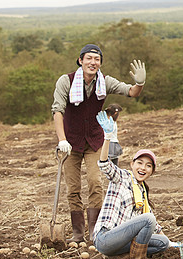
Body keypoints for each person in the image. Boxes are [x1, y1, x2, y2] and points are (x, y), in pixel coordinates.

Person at [51, 44, 147, 243]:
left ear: (100, 63)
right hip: (70, 142)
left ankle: (96, 231)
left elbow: (131, 92)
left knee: (95, 183)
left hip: (94, 141)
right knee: (73, 188)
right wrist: (61, 140)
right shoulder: (65, 81)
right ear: (80, 60)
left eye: (97, 59)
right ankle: (78, 233)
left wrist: (140, 83)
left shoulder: (104, 81)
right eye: (89, 58)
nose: (93, 62)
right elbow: (57, 111)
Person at [92, 111, 169, 259]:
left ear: (152, 172)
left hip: (123, 241)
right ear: (132, 164)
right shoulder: (122, 177)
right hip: (106, 237)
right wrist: (107, 137)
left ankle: (120, 257)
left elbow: (154, 227)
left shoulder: (142, 193)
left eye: (148, 166)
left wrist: (173, 242)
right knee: (148, 218)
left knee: (163, 243)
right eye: (140, 163)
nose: (143, 168)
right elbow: (104, 164)